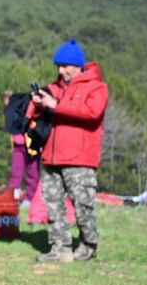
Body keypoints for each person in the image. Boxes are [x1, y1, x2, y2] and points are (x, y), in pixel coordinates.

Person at [30, 39, 109, 263]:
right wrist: (38, 104)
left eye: (66, 66)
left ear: (79, 65)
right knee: (53, 205)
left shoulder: (97, 87)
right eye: (58, 66)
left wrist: (57, 106)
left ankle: (88, 245)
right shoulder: (54, 87)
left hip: (80, 158)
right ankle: (59, 248)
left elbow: (92, 112)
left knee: (83, 205)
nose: (61, 70)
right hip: (52, 156)